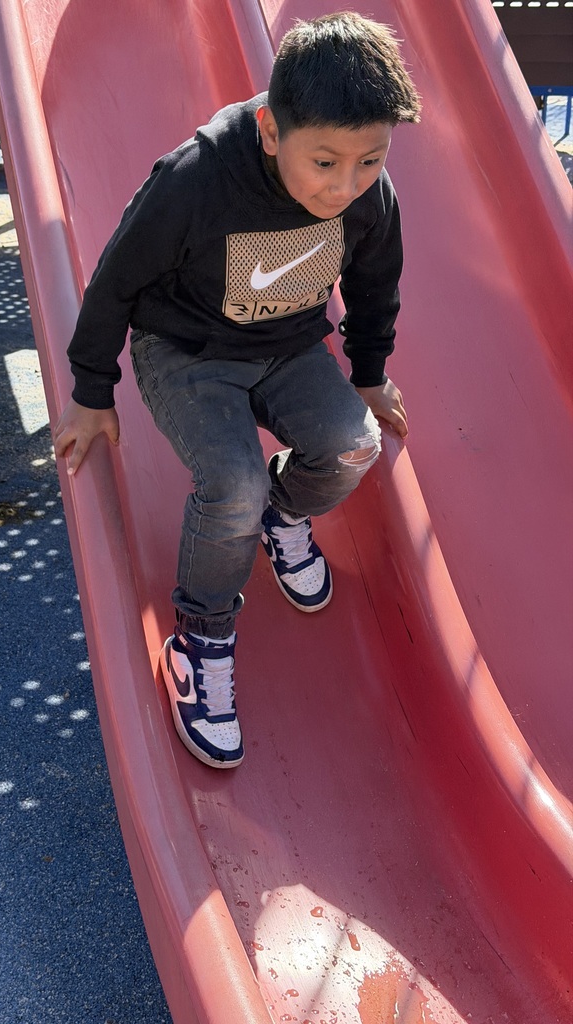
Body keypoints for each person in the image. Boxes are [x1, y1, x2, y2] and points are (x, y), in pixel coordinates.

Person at [53, 13, 421, 769]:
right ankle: (201, 641)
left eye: (368, 161)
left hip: (287, 345)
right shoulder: (194, 180)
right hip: (186, 351)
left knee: (355, 445)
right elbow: (115, 280)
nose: (345, 185)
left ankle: (283, 517)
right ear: (268, 130)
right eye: (325, 162)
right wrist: (93, 390)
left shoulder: (368, 195)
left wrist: (369, 373)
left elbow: (376, 284)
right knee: (230, 482)